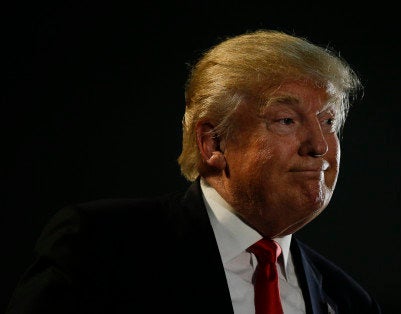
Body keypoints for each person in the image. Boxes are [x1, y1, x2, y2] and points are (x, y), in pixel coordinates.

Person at [6, 29, 381, 314]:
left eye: (329, 121)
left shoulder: (346, 299)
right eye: (286, 120)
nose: (319, 146)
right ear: (213, 143)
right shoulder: (99, 247)